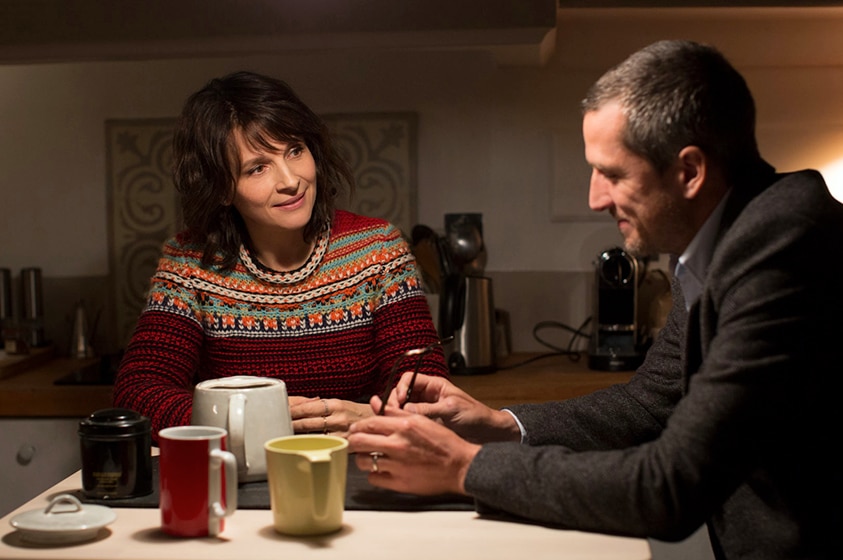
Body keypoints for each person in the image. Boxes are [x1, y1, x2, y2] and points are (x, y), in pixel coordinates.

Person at [348, 40, 843, 559]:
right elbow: (648, 404)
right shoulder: (724, 243)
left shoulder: (785, 249)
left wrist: (462, 467)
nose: (595, 198)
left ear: (690, 172)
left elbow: (667, 487)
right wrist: (499, 426)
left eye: (612, 173)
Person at [113, 71, 447, 440]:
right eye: (258, 168)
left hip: (363, 467)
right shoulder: (190, 264)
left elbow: (427, 390)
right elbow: (137, 393)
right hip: (238, 478)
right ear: (222, 189)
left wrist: (368, 416)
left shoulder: (378, 250)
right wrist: (250, 417)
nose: (290, 180)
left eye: (294, 151)